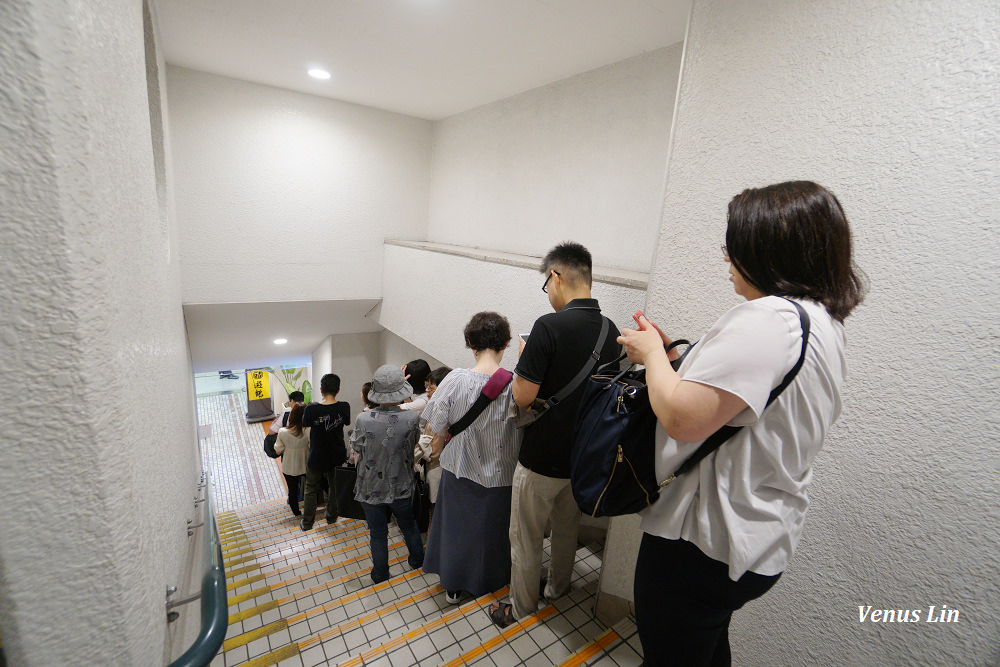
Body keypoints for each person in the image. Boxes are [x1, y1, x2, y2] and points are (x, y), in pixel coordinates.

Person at [618, 181, 866, 666]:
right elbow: (743, 401)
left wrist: (650, 357)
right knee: (706, 650)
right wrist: (670, 359)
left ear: (770, 249)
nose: (726, 253)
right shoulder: (821, 325)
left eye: (736, 241)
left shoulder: (768, 319)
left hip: (703, 541)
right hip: (756, 537)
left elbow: (684, 419)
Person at [490, 242, 622, 627]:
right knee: (567, 531)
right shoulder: (610, 330)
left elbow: (523, 395)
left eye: (546, 282)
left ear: (557, 277)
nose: (547, 291)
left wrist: (522, 358)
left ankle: (522, 606)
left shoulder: (547, 328)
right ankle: (559, 590)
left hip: (540, 460)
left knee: (527, 536)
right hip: (582, 460)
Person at [422, 314, 520, 604]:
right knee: (494, 532)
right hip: (502, 474)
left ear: (470, 344)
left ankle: (453, 585)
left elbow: (435, 425)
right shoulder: (516, 384)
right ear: (505, 344)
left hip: (459, 471)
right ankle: (493, 581)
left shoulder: (455, 379)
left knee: (456, 532)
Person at [350, 365, 425, 585]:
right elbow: (413, 443)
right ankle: (418, 560)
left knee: (378, 533)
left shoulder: (364, 419)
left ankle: (381, 574)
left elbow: (356, 445)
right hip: (402, 482)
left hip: (370, 486)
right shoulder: (411, 418)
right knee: (408, 525)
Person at [299, 374, 351, 531]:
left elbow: (305, 423)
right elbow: (347, 422)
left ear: (321, 390)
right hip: (336, 454)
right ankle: (331, 517)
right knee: (334, 487)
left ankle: (307, 523)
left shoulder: (312, 409)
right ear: (338, 389)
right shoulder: (344, 407)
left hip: (316, 456)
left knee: (311, 489)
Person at [274, 403, 309, 516]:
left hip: (289, 467)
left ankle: (296, 513)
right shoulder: (308, 430)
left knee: (292, 491)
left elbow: (278, 449)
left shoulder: (283, 432)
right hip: (305, 464)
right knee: (312, 487)